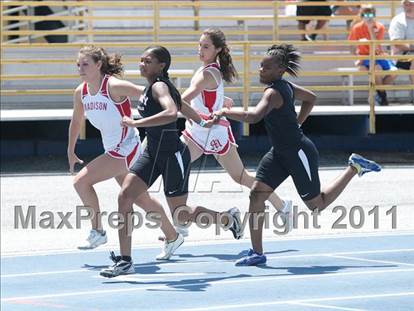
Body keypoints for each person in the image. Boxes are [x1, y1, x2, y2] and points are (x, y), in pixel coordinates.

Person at [213, 44, 382, 266]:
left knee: (316, 205)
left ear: (280, 69)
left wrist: (224, 112)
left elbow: (253, 117)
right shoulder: (284, 86)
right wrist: (298, 122)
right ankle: (257, 252)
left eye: (265, 67)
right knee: (256, 195)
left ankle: (353, 167)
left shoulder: (274, 92)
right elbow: (310, 98)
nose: (260, 70)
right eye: (260, 66)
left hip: (298, 152)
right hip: (279, 154)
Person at [100, 46, 243, 278]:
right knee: (125, 196)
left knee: (180, 215)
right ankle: (125, 261)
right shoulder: (155, 87)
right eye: (141, 60)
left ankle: (227, 218)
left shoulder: (159, 86)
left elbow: (170, 112)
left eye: (148, 61)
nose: (142, 64)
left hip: (173, 155)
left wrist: (136, 124)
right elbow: (182, 105)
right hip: (152, 154)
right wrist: (201, 121)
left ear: (161, 66)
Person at [178, 28, 293, 238]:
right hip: (198, 131)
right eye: (199, 45)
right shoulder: (209, 70)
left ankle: (282, 205)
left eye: (206, 47)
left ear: (217, 49)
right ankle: (181, 220)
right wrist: (221, 102)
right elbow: (207, 99)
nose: (200, 50)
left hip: (212, 132)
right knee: (176, 167)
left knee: (239, 177)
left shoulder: (207, 73)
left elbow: (181, 100)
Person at [68, 45, 183, 251]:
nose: (80, 68)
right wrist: (70, 150)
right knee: (141, 199)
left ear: (99, 65)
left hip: (126, 148)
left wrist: (193, 114)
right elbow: (76, 122)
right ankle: (173, 236)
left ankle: (98, 232)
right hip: (113, 148)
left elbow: (155, 94)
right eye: (78, 65)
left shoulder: (113, 86)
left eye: (85, 64)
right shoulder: (81, 92)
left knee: (81, 182)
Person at [348, 4, 397, 106]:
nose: (368, 16)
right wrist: (355, 59)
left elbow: (375, 45)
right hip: (365, 57)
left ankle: (375, 93)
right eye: (365, 14)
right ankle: (383, 97)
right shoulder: (356, 28)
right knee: (377, 68)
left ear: (374, 15)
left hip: (378, 55)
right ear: (361, 15)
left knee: (394, 72)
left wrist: (370, 29)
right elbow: (351, 45)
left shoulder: (380, 27)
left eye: (370, 14)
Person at [389, 0, 414, 105]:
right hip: (401, 56)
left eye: (411, 3)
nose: (408, 6)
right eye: (406, 4)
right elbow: (397, 43)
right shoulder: (398, 20)